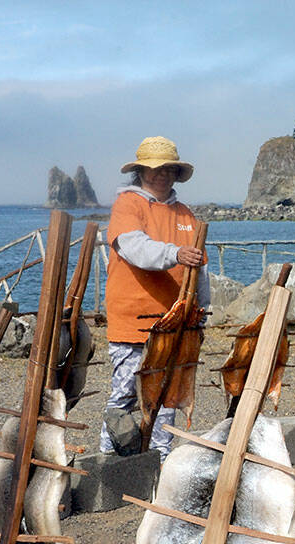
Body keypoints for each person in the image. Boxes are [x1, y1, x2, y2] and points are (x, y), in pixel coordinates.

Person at [100, 136, 208, 460]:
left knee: (167, 397)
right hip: (133, 321)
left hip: (174, 324)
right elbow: (135, 249)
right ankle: (108, 457)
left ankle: (159, 460)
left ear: (176, 173)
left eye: (167, 169)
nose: (160, 175)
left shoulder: (186, 215)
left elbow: (200, 268)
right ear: (140, 173)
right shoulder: (128, 205)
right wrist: (175, 253)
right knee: (125, 395)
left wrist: (201, 312)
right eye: (153, 169)